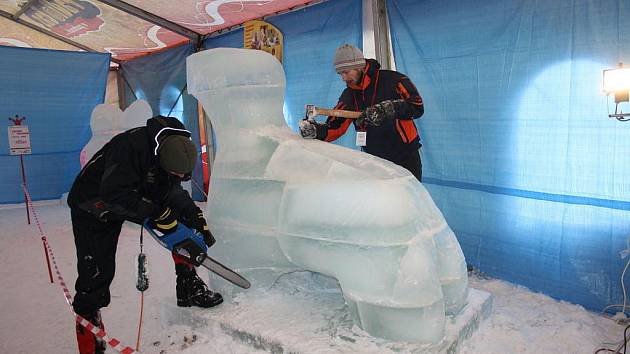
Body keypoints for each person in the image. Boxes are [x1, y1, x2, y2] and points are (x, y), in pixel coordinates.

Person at [67, 115, 222, 354]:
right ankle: (90, 335)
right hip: (94, 204)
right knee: (96, 275)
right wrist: (158, 213)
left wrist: (195, 217)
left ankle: (188, 285)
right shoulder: (128, 150)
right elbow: (115, 195)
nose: (180, 178)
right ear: (161, 160)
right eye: (176, 173)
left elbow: (171, 190)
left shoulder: (173, 147)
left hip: (132, 190)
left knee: (182, 220)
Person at [299, 44, 425, 181]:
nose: (343, 78)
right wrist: (316, 131)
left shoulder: (394, 80)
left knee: (409, 201)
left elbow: (417, 106)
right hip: (375, 161)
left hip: (405, 158)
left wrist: (388, 108)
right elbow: (335, 127)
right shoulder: (349, 95)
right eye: (340, 73)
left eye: (346, 72)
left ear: (359, 66)